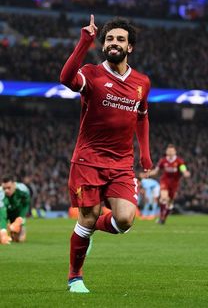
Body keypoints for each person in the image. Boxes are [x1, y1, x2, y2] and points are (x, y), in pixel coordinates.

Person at [60, 15, 152, 293]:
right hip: (88, 159)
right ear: (104, 45)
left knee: (124, 220)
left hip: (122, 162)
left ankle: (91, 228)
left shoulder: (141, 82)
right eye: (110, 39)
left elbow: (142, 117)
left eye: (120, 39)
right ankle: (75, 277)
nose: (114, 43)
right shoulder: (91, 73)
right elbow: (66, 78)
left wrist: (145, 155)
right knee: (87, 217)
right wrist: (84, 40)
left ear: (130, 47)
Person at [140, 144, 190, 224]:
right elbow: (156, 171)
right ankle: (161, 216)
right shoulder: (163, 161)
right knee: (163, 198)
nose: (170, 152)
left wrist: (185, 172)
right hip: (165, 181)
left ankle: (164, 218)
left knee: (170, 203)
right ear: (166, 152)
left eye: (172, 151)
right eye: (168, 151)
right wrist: (147, 174)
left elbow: (183, 169)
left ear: (175, 152)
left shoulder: (179, 161)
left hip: (174, 184)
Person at [0, 175, 31, 244]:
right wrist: (3, 231)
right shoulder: (0, 193)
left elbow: (26, 204)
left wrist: (20, 220)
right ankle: (7, 228)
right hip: (5, 213)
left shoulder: (23, 189)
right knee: (2, 238)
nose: (6, 191)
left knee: (20, 240)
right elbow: (2, 215)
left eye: (9, 188)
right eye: (4, 188)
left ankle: (13, 229)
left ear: (14, 185)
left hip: (17, 214)